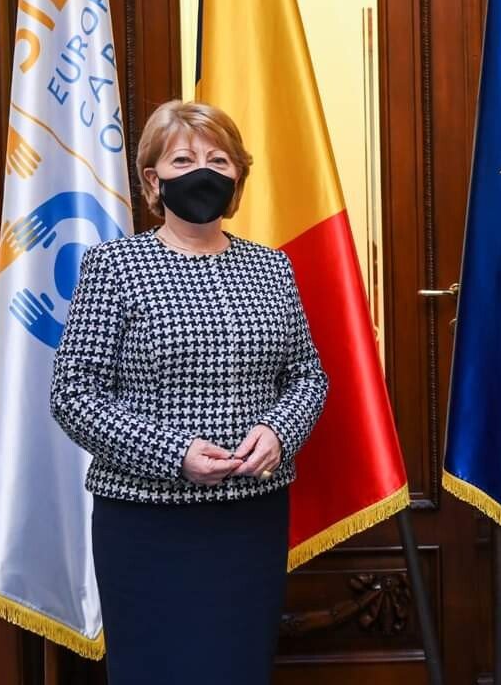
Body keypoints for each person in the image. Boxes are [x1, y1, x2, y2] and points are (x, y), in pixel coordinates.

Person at [50, 100, 329, 685]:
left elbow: (307, 376)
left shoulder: (271, 268)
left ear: (237, 176)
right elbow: (74, 393)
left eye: (218, 160)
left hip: (250, 519)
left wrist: (279, 431)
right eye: (183, 159)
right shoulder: (115, 266)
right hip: (146, 522)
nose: (203, 171)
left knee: (238, 668)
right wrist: (173, 454)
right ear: (154, 180)